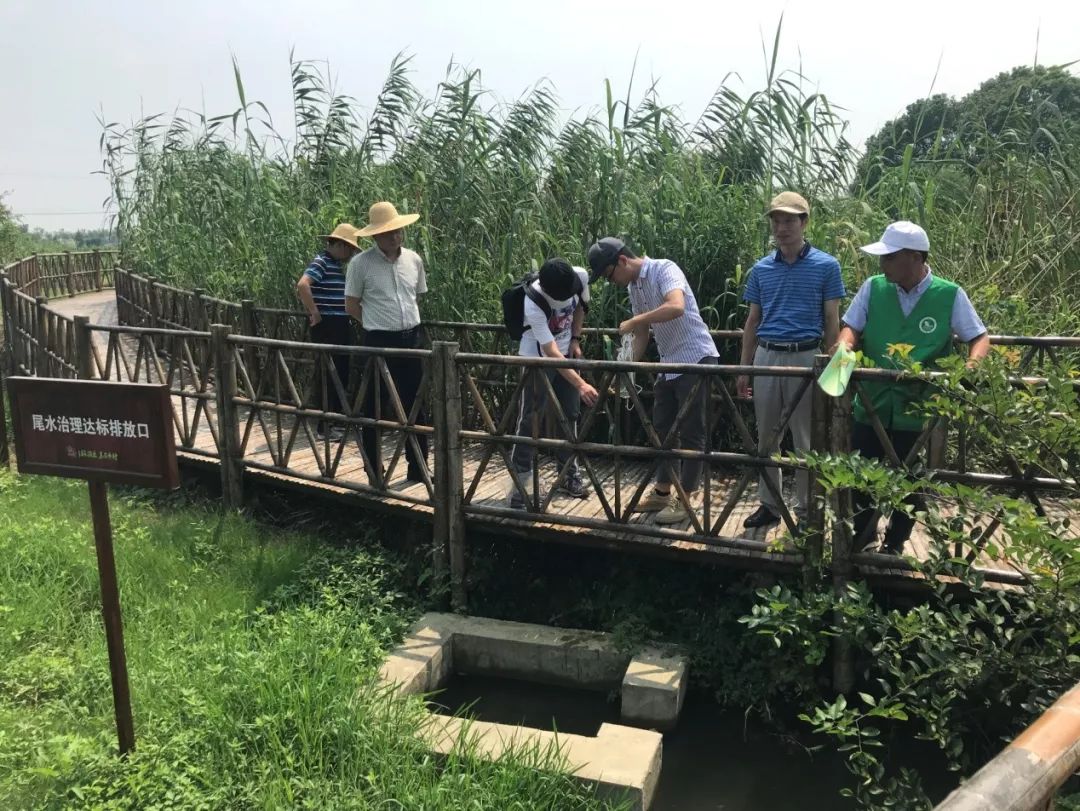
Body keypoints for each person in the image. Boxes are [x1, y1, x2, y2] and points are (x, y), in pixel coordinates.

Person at [836, 221, 990, 554]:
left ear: (913, 257)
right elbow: (851, 328)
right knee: (861, 474)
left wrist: (969, 370)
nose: (883, 264)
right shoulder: (873, 288)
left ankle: (895, 542)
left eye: (889, 257)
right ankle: (862, 539)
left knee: (912, 481)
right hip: (871, 402)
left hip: (919, 409)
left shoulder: (948, 294)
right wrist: (842, 349)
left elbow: (978, 337)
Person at [587, 237, 719, 525]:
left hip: (696, 357)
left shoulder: (664, 269)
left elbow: (676, 306)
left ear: (622, 261)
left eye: (610, 276)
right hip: (668, 362)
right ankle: (662, 491)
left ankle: (686, 498)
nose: (612, 282)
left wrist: (635, 321)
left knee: (692, 430)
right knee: (662, 429)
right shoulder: (635, 288)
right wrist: (626, 368)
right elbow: (645, 332)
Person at [737, 192, 846, 530]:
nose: (781, 227)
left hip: (807, 355)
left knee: (807, 439)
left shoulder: (827, 265)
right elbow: (752, 321)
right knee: (766, 438)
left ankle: (806, 511)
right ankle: (770, 505)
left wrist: (836, 374)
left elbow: (832, 321)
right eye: (776, 220)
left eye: (789, 220)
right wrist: (744, 369)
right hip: (767, 355)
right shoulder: (761, 268)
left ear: (804, 223)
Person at [345, 202, 429, 484]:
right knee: (374, 407)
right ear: (375, 235)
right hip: (378, 340)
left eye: (398, 230)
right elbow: (351, 305)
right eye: (388, 232)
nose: (395, 236)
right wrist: (375, 323)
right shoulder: (361, 264)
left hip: (412, 338)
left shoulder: (414, 260)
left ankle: (418, 466)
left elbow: (415, 297)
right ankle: (374, 470)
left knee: (416, 403)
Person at [506, 258, 599, 509]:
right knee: (529, 419)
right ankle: (520, 484)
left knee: (570, 414)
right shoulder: (533, 302)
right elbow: (549, 351)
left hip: (566, 354)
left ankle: (569, 474)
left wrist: (576, 339)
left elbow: (581, 307)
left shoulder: (579, 277)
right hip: (537, 359)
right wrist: (580, 384)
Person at [296, 223, 360, 438]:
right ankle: (325, 427)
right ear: (340, 244)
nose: (351, 254)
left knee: (340, 372)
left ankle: (336, 421)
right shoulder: (321, 262)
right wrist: (314, 312)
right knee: (329, 373)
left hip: (339, 324)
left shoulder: (333, 264)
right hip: (328, 325)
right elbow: (303, 284)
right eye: (350, 248)